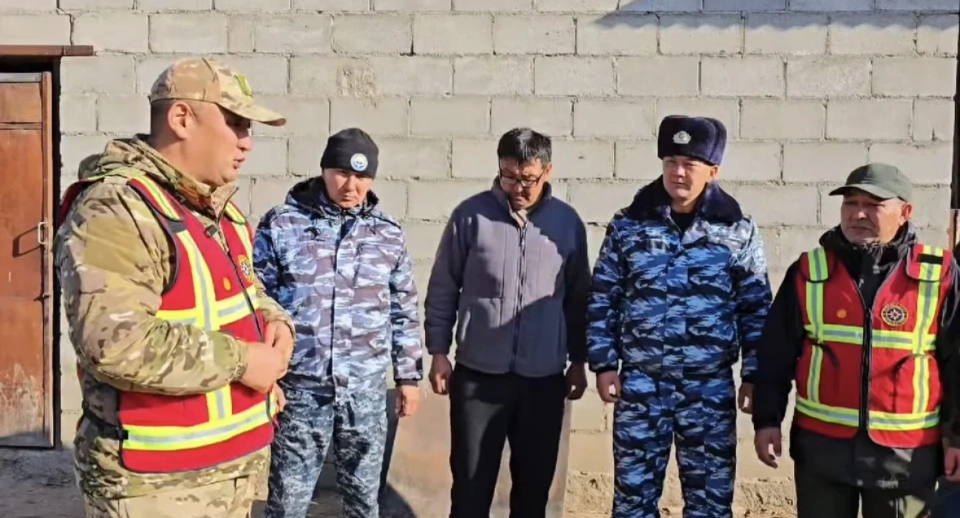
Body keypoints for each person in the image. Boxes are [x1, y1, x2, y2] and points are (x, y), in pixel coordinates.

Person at [54, 57, 295, 518]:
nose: (246, 141)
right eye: (235, 123)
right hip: (155, 489)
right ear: (182, 118)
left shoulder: (217, 210)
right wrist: (245, 360)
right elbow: (115, 343)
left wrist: (274, 322)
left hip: (227, 475)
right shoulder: (117, 210)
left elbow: (244, 294)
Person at [586, 115, 773, 518]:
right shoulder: (629, 225)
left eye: (690, 163)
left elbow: (756, 309)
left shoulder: (737, 230)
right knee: (632, 504)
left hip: (707, 389)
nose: (678, 172)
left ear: (713, 170)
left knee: (710, 505)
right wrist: (604, 363)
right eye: (671, 161)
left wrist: (754, 375)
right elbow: (603, 296)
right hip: (642, 384)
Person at [752, 163, 960, 518]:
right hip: (822, 454)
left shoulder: (939, 275)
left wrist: (955, 438)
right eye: (850, 203)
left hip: (905, 461)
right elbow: (775, 354)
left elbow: (956, 362)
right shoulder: (809, 271)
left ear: (905, 212)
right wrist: (767, 420)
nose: (858, 214)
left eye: (873, 204)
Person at [254, 127, 423, 518]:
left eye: (362, 176)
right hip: (300, 390)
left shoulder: (387, 234)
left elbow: (403, 308)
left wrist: (408, 377)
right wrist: (265, 376)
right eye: (342, 173)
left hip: (364, 392)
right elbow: (256, 302)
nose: (351, 186)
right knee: (287, 502)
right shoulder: (282, 225)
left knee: (364, 502)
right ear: (324, 170)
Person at [423, 127, 591, 518]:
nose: (517, 188)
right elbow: (443, 286)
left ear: (547, 171)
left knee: (533, 492)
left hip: (543, 379)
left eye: (528, 178)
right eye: (508, 176)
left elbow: (579, 298)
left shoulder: (567, 224)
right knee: (470, 488)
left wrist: (580, 359)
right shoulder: (470, 217)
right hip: (478, 377)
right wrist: (438, 351)